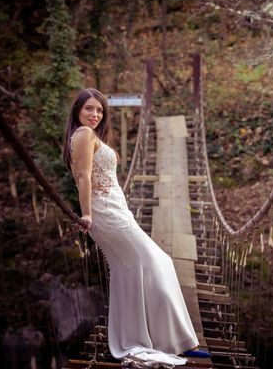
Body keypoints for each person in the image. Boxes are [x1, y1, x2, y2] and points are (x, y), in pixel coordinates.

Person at [62, 88, 210, 367]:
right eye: (88, 109)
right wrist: (87, 214)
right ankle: (176, 342)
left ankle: (147, 338)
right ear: (77, 111)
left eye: (99, 110)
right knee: (159, 262)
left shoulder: (90, 136)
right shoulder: (83, 134)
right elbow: (83, 175)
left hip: (118, 211)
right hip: (104, 213)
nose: (94, 115)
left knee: (129, 270)